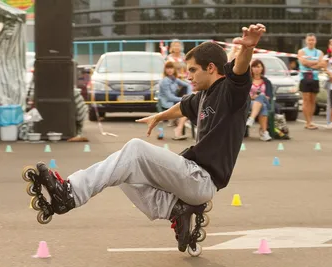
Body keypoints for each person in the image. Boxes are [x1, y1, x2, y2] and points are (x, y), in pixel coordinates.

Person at [29, 23, 266, 253]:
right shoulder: (203, 96)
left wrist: (247, 48)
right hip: (190, 177)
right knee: (122, 170)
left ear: (212, 68)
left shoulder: (230, 94)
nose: (188, 76)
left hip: (202, 179)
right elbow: (182, 108)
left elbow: (239, 72)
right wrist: (159, 116)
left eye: (193, 70)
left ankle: (69, 194)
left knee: (134, 150)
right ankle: (176, 210)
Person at [158, 61, 192, 140]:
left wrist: (189, 95)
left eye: (171, 68)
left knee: (185, 109)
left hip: (174, 102)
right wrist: (185, 99)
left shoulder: (174, 79)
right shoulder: (165, 81)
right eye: (167, 68)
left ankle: (178, 129)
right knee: (185, 110)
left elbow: (188, 85)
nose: (169, 70)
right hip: (165, 103)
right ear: (165, 70)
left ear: (174, 70)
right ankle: (178, 129)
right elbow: (170, 97)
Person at [298, 33, 324, 130]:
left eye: (313, 40)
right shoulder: (302, 51)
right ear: (306, 41)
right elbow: (303, 62)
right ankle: (307, 122)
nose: (311, 42)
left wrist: (311, 64)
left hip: (315, 78)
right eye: (309, 40)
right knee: (306, 100)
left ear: (315, 41)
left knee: (313, 101)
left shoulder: (319, 52)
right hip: (304, 78)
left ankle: (311, 120)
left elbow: (322, 64)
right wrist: (315, 63)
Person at [245, 59, 273, 141]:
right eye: (254, 67)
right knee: (262, 106)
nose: (256, 69)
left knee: (261, 97)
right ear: (251, 69)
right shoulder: (248, 81)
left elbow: (268, 96)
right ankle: (264, 133)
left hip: (265, 101)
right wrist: (253, 97)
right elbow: (244, 95)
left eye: (258, 67)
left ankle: (251, 118)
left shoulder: (266, 81)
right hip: (251, 102)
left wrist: (258, 96)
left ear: (262, 69)